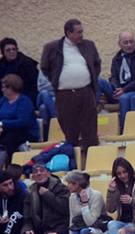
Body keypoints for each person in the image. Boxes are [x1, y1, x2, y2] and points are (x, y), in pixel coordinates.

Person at [40, 19, 102, 148]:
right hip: (65, 94)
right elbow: (45, 67)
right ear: (69, 33)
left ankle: (90, 153)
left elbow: (96, 64)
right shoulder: (52, 47)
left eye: (82, 31)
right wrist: (57, 80)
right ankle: (74, 154)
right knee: (69, 128)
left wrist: (90, 78)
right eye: (78, 32)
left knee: (90, 128)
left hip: (85, 92)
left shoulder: (89, 45)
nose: (81, 35)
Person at [0, 74, 37, 155]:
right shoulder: (2, 100)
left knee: (8, 140)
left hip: (24, 132)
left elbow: (23, 121)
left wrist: (2, 123)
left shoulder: (24, 101)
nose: (2, 90)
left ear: (12, 88)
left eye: (4, 87)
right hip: (5, 130)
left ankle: (7, 161)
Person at [64, 170, 108, 234]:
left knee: (84, 233)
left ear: (76, 184)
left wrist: (85, 204)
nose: (67, 186)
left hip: (97, 227)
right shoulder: (72, 197)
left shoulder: (96, 195)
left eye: (69, 183)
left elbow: (91, 222)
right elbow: (72, 219)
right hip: (79, 226)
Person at [0, 38, 40, 106]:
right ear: (3, 52)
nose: (12, 52)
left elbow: (34, 85)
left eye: (14, 49)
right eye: (8, 50)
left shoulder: (26, 63)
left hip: (26, 97)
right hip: (6, 98)